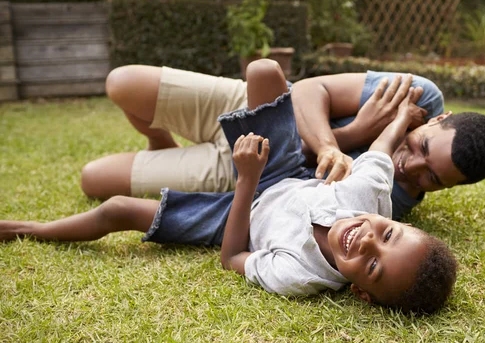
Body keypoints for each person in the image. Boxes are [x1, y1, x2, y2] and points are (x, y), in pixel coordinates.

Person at [0, 60, 456, 314]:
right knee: (263, 71)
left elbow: (232, 256)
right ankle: (164, 140)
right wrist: (400, 118)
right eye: (388, 233)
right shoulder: (372, 197)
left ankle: (31, 229)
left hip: (237, 212)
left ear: (359, 291)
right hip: (286, 169)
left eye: (372, 265)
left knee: (117, 208)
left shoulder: (300, 276)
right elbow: (380, 149)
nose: (368, 239)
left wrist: (247, 182)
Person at [80, 64, 461, 219]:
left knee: (93, 179)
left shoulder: (391, 199)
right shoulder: (419, 96)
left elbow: (293, 178)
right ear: (439, 119)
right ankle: (159, 143)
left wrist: (351, 135)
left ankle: (170, 158)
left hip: (246, 167)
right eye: (422, 147)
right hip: (252, 103)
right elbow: (310, 91)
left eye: (433, 179)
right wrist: (332, 146)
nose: (409, 167)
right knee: (121, 82)